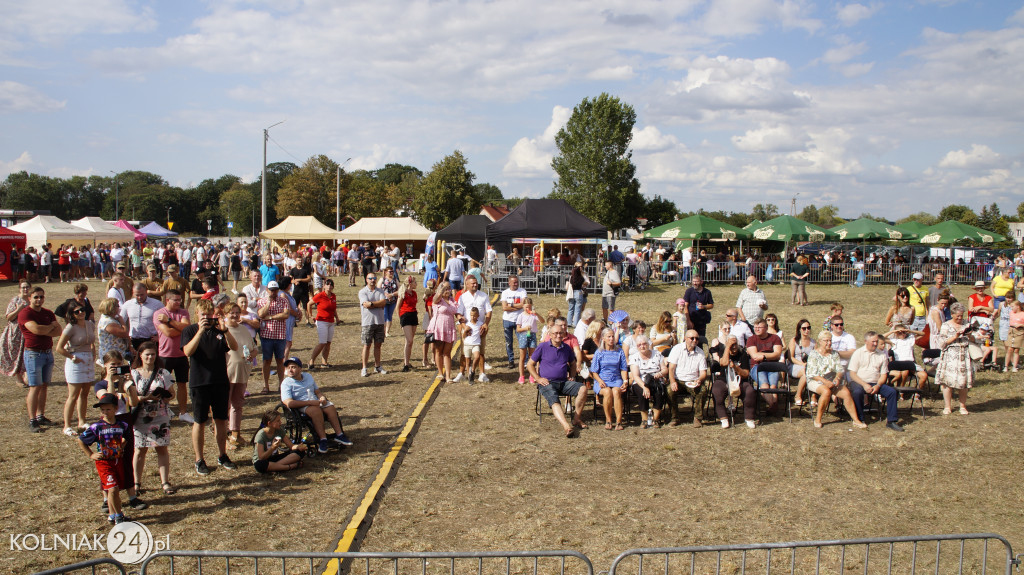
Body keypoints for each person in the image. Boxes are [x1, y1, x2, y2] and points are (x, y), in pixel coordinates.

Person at [181, 298, 239, 475]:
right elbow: (187, 352)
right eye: (203, 314)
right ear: (197, 314)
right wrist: (200, 331)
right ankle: (199, 459)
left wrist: (225, 330)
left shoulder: (219, 330)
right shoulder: (190, 330)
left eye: (209, 314)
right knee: (200, 420)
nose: (207, 317)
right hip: (200, 382)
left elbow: (234, 347)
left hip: (220, 381)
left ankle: (222, 455)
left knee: (221, 419)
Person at [77, 393, 133, 524]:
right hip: (104, 463)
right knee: (112, 489)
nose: (105, 412)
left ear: (115, 409)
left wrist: (121, 447)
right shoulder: (97, 427)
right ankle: (119, 516)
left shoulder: (122, 425)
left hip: (117, 461)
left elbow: (127, 437)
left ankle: (112, 514)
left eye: (108, 409)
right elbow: (81, 440)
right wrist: (91, 454)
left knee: (115, 490)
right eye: (103, 410)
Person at [130, 342, 176, 495]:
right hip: (141, 417)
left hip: (160, 416)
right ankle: (136, 483)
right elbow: (130, 398)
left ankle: (165, 482)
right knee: (139, 450)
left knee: (162, 449)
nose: (150, 357)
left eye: (153, 354)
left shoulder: (163, 373)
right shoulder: (133, 374)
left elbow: (172, 393)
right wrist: (146, 398)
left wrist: (165, 396)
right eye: (147, 354)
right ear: (140, 355)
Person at [527, 322, 588, 438]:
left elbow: (573, 363)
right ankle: (566, 426)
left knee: (583, 389)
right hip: (547, 383)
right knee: (554, 400)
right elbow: (530, 364)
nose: (558, 335)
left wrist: (573, 375)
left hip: (564, 382)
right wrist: (538, 378)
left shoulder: (566, 348)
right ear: (550, 334)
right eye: (555, 333)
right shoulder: (542, 347)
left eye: (561, 333)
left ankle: (576, 419)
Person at [279, 357, 351, 453]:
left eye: (293, 367)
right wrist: (310, 403)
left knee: (330, 407)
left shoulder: (308, 376)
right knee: (315, 411)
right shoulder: (286, 383)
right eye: (288, 368)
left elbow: (317, 391)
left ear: (300, 369)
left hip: (315, 401)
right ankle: (322, 439)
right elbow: (289, 403)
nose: (290, 370)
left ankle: (339, 434)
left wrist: (321, 397)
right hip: (301, 405)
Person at [20, 286, 62, 432]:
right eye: (36, 297)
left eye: (41, 297)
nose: (39, 300)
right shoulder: (25, 313)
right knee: (35, 386)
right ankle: (32, 420)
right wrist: (50, 327)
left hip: (47, 353)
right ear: (30, 298)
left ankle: (41, 415)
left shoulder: (48, 313)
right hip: (33, 354)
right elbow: (36, 330)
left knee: (44, 385)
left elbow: (59, 331)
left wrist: (46, 328)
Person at [805, 332, 864, 429]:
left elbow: (840, 370)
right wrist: (825, 382)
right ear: (820, 341)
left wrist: (837, 378)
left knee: (846, 393)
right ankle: (818, 419)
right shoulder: (814, 354)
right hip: (816, 381)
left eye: (830, 341)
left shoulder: (834, 354)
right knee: (826, 391)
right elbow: (811, 374)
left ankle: (856, 420)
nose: (829, 343)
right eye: (826, 341)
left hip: (831, 380)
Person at [847, 331, 903, 432]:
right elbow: (852, 374)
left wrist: (878, 385)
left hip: (875, 383)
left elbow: (883, 375)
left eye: (876, 341)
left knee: (892, 392)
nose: (875, 344)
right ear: (866, 341)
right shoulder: (858, 353)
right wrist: (864, 385)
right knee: (857, 392)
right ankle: (859, 419)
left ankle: (891, 421)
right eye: (873, 341)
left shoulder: (881, 355)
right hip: (859, 382)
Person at [153, 289, 193, 423]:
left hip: (181, 354)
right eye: (175, 300)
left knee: (182, 384)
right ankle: (164, 410)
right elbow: (168, 333)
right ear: (167, 300)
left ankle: (183, 412)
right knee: (163, 385)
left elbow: (187, 328)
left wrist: (169, 321)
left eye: (180, 300)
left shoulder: (183, 312)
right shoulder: (158, 314)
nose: (178, 302)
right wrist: (180, 327)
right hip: (165, 355)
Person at [56, 301, 96, 435]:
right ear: (72, 314)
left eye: (82, 310)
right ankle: (67, 425)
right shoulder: (70, 327)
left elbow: (92, 343)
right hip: (76, 360)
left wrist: (93, 356)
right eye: (77, 311)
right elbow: (59, 348)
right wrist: (72, 357)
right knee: (73, 395)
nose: (81, 313)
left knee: (85, 393)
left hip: (88, 360)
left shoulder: (90, 325)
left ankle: (82, 421)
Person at [224, 303, 256, 449]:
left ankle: (235, 433)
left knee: (237, 404)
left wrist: (251, 356)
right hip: (226, 373)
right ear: (226, 314)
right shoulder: (223, 330)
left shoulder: (243, 329)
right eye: (232, 312)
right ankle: (224, 435)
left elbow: (254, 349)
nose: (235, 315)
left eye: (237, 313)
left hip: (242, 372)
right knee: (225, 405)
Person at [935, 302, 975, 415]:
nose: (960, 318)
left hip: (964, 355)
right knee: (948, 382)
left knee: (963, 383)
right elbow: (942, 343)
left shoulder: (966, 324)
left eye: (961, 315)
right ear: (952, 314)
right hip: (950, 356)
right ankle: (947, 406)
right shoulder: (946, 325)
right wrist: (955, 337)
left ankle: (963, 406)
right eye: (957, 316)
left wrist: (970, 335)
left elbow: (974, 340)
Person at [708, 335, 755, 428]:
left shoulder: (743, 354)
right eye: (731, 344)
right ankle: (724, 418)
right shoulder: (722, 352)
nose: (734, 347)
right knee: (717, 391)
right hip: (723, 379)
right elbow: (723, 363)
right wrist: (727, 349)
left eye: (735, 344)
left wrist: (736, 367)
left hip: (740, 381)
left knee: (750, 391)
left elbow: (746, 373)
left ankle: (749, 418)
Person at [667, 329, 708, 427]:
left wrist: (699, 380)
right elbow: (671, 368)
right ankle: (674, 418)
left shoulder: (700, 353)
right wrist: (672, 381)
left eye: (697, 339)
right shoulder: (677, 349)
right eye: (692, 338)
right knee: (669, 390)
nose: (695, 341)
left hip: (693, 381)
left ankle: (698, 418)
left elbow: (703, 373)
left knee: (702, 390)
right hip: (678, 379)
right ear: (685, 339)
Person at [590, 327, 628, 430]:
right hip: (602, 379)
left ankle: (619, 422)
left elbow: (623, 368)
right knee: (607, 392)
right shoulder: (599, 352)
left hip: (616, 379)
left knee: (616, 391)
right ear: (603, 338)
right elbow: (594, 371)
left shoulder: (619, 351)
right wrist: (599, 381)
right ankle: (608, 420)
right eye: (609, 337)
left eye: (612, 336)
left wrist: (625, 381)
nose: (611, 339)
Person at [256, 281, 290, 393]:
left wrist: (270, 317)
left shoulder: (284, 300)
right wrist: (268, 303)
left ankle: (281, 384)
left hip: (280, 335)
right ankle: (266, 385)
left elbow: (286, 315)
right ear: (267, 290)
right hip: (266, 335)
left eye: (275, 290)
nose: (273, 292)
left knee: (280, 360)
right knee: (267, 360)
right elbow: (261, 314)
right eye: (271, 290)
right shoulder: (262, 301)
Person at [628, 334, 668, 428]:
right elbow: (636, 376)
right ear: (636, 347)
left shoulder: (657, 354)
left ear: (648, 344)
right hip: (640, 381)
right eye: (639, 345)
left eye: (644, 344)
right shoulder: (634, 357)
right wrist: (644, 386)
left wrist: (661, 373)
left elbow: (665, 369)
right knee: (642, 392)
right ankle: (644, 419)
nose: (642, 346)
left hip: (656, 379)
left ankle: (656, 419)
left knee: (659, 392)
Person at [456, 275, 492, 378]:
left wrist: (485, 323)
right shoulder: (462, 297)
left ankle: (481, 373)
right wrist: (464, 327)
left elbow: (489, 310)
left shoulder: (483, 296)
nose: (475, 285)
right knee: (464, 352)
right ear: (467, 285)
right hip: (467, 330)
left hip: (480, 329)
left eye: (476, 283)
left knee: (481, 352)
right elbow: (458, 313)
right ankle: (462, 373)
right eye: (472, 283)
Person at [746, 319, 784, 413]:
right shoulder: (751, 339)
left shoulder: (775, 338)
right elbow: (755, 356)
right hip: (757, 367)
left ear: (766, 328)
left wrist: (763, 356)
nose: (757, 329)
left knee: (773, 386)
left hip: (773, 366)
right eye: (755, 327)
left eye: (759, 327)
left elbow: (778, 354)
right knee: (764, 385)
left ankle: (772, 406)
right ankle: (773, 405)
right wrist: (770, 355)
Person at [358, 272, 389, 377]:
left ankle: (377, 366)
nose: (372, 280)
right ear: (366, 280)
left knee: (378, 345)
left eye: (374, 278)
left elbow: (383, 302)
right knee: (367, 345)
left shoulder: (380, 291)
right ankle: (364, 368)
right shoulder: (362, 292)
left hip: (379, 321)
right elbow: (366, 304)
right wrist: (375, 304)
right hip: (367, 322)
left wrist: (372, 304)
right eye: (370, 278)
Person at [1, 281, 32, 386]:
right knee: (17, 354)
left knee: (28, 353)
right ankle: (19, 378)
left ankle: (26, 375)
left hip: (29, 331)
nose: (25, 289)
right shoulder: (15, 300)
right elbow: (9, 317)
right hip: (16, 332)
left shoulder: (32, 300)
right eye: (23, 287)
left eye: (27, 287)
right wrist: (18, 309)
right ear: (20, 289)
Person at [427, 281, 458, 382]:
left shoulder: (452, 300)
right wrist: (441, 290)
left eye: (449, 288)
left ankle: (448, 376)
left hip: (450, 328)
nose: (448, 290)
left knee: (447, 353)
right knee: (438, 351)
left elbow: (457, 311)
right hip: (439, 328)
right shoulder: (437, 300)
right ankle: (440, 373)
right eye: (446, 288)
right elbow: (435, 298)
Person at [883, 324, 929, 390]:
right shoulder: (894, 341)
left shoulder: (910, 339)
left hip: (911, 363)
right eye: (899, 333)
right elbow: (880, 338)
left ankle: (916, 393)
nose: (902, 334)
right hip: (900, 364)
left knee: (924, 375)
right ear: (896, 333)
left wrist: (909, 330)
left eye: (904, 332)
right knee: (905, 371)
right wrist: (893, 331)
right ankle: (901, 391)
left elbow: (923, 334)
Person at [308, 279, 340, 368]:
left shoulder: (333, 296)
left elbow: (333, 309)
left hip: (330, 322)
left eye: (331, 284)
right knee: (322, 342)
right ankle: (311, 361)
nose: (329, 286)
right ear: (324, 286)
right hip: (322, 321)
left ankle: (324, 362)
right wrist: (311, 316)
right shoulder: (320, 296)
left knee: (328, 342)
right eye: (328, 284)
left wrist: (337, 317)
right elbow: (309, 304)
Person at [120, 283, 162, 351]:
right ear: (133, 293)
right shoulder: (127, 304)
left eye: (142, 294)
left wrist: (160, 337)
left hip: (151, 340)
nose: (139, 297)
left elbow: (165, 322)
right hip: (134, 340)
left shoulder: (157, 304)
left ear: (146, 292)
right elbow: (121, 320)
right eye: (137, 295)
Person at [500, 275, 527, 369]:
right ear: (509, 283)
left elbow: (524, 304)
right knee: (509, 342)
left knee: (522, 341)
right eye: (514, 282)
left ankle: (525, 361)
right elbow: (504, 307)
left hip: (520, 321)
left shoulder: (522, 291)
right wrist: (517, 306)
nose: (516, 284)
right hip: (507, 320)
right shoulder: (505, 293)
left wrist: (510, 305)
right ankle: (511, 360)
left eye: (517, 282)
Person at [788, 319, 815, 407]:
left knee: (813, 371)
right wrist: (802, 364)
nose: (807, 330)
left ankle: (813, 395)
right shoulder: (794, 340)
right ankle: (798, 395)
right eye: (804, 328)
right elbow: (791, 357)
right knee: (806, 372)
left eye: (808, 328)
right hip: (795, 365)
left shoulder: (813, 342)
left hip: (809, 366)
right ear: (799, 329)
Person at [457, 307, 486, 383]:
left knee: (477, 357)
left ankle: (473, 370)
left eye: (474, 315)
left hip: (476, 344)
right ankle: (469, 376)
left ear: (478, 316)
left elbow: (483, 334)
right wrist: (465, 331)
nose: (473, 317)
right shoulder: (467, 324)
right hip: (467, 344)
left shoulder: (480, 324)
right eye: (471, 315)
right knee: (467, 360)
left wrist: (484, 330)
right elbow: (463, 336)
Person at [515, 298, 540, 383]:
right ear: (523, 306)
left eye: (529, 307)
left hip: (532, 335)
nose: (528, 309)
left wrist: (536, 314)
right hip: (523, 335)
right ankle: (521, 376)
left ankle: (531, 375)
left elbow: (542, 320)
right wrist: (525, 328)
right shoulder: (521, 316)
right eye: (526, 307)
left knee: (532, 356)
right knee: (522, 357)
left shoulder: (533, 315)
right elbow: (518, 329)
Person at [396, 276, 419, 372]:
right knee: (409, 340)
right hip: (405, 316)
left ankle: (407, 361)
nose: (416, 283)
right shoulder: (403, 293)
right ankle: (405, 364)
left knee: (410, 341)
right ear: (410, 283)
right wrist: (400, 319)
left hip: (413, 315)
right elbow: (398, 307)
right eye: (414, 282)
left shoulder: (414, 293)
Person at [566, 262, 589, 327]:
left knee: (571, 308)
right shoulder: (581, 277)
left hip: (571, 292)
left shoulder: (572, 277)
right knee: (577, 309)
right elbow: (584, 283)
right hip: (578, 292)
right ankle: (575, 323)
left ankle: (569, 322)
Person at [1002, 300, 1023, 373]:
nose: (1011, 308)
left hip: (1019, 332)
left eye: (1012, 306)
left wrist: (1021, 325)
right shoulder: (1011, 313)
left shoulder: (1022, 314)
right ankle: (1006, 366)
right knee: (1009, 349)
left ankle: (1015, 366)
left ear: (1018, 307)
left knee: (1016, 350)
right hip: (1011, 331)